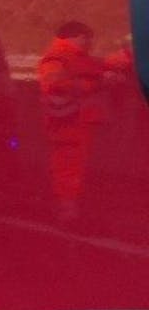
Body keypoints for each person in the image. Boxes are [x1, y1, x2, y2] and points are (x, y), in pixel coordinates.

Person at [37, 21, 112, 222]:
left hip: (76, 122)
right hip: (66, 122)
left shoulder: (75, 57)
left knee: (72, 168)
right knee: (66, 168)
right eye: (87, 38)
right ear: (76, 36)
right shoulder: (58, 57)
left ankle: (70, 208)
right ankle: (66, 211)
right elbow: (54, 84)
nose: (89, 43)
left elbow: (102, 65)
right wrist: (94, 84)